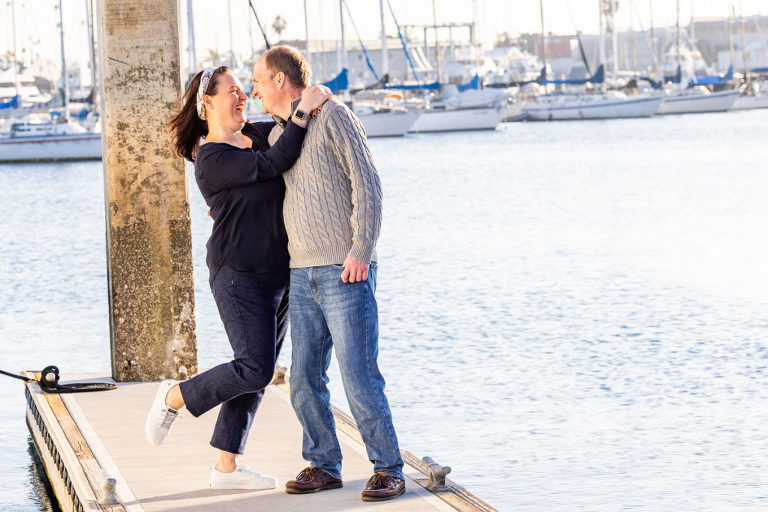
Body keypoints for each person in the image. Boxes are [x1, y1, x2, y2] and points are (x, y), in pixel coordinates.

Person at [146, 65, 331, 490]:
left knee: (257, 370)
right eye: (232, 90)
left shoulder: (259, 132)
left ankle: (225, 469)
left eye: (242, 90)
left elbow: (288, 137)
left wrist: (310, 103)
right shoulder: (211, 158)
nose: (241, 95)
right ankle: (177, 396)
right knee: (253, 368)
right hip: (237, 273)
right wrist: (306, 109)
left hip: (280, 273)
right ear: (208, 103)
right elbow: (277, 160)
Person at [251, 46, 406, 502]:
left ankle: (389, 469)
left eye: (259, 79)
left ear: (280, 80)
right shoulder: (282, 131)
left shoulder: (334, 117)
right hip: (301, 275)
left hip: (345, 270)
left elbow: (368, 184)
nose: (255, 87)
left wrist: (362, 249)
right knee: (302, 378)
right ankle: (324, 463)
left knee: (358, 375)